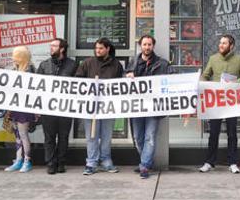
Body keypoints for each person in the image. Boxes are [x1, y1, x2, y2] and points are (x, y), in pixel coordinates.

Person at [199, 34, 240, 174]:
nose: (221, 45)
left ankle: (233, 162)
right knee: (213, 133)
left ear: (231, 46)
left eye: (224, 43)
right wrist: (204, 82)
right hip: (216, 101)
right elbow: (205, 75)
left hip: (232, 102)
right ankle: (209, 162)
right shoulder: (213, 59)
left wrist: (235, 83)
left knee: (232, 133)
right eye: (220, 43)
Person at [76, 37, 125, 175]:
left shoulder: (116, 65)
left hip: (109, 106)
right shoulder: (87, 63)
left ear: (108, 49)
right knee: (91, 136)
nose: (98, 51)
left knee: (106, 135)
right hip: (90, 106)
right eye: (96, 48)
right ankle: (91, 162)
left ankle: (106, 161)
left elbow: (121, 84)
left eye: (101, 48)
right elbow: (78, 81)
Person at [126, 35, 169, 179]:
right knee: (138, 137)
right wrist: (127, 75)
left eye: (149, 44)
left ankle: (144, 165)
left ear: (153, 46)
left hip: (154, 107)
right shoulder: (133, 63)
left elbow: (174, 79)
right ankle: (146, 162)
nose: (147, 47)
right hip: (136, 107)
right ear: (140, 46)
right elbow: (123, 80)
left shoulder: (163, 64)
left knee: (149, 136)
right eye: (144, 44)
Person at [37, 38, 77, 174]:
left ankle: (61, 162)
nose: (51, 48)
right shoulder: (44, 65)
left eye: (54, 46)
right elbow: (36, 86)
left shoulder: (72, 65)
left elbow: (79, 86)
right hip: (48, 108)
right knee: (49, 137)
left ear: (62, 49)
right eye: (51, 46)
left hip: (65, 108)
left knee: (63, 137)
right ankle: (51, 163)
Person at [4, 46, 36, 173]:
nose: (13, 59)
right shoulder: (15, 70)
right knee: (17, 134)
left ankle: (27, 161)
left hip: (24, 107)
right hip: (15, 107)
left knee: (23, 134)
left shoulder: (30, 72)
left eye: (15, 56)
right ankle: (18, 160)